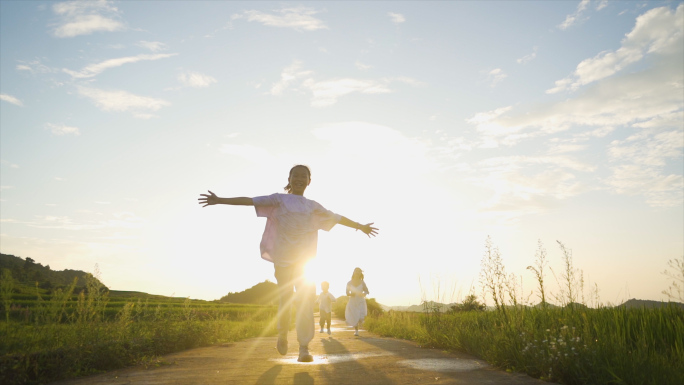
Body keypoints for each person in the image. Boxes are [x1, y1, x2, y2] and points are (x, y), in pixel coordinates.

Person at [198, 165, 378, 362]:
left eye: (304, 176)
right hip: (283, 260)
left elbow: (337, 217)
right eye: (296, 175)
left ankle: (303, 347)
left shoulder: (313, 206)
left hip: (305, 262)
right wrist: (220, 200)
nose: (299, 179)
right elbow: (250, 201)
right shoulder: (278, 199)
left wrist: (360, 226)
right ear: (289, 179)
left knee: (305, 302)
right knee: (286, 298)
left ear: (309, 181)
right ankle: (282, 333)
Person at [345, 267, 369, 336]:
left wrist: (364, 293)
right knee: (355, 316)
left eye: (359, 271)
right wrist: (350, 294)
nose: (357, 273)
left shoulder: (362, 282)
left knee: (361, 317)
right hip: (353, 301)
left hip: (360, 300)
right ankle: (356, 331)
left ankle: (361, 322)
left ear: (360, 273)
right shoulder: (349, 283)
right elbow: (347, 292)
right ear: (354, 272)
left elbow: (367, 291)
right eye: (356, 271)